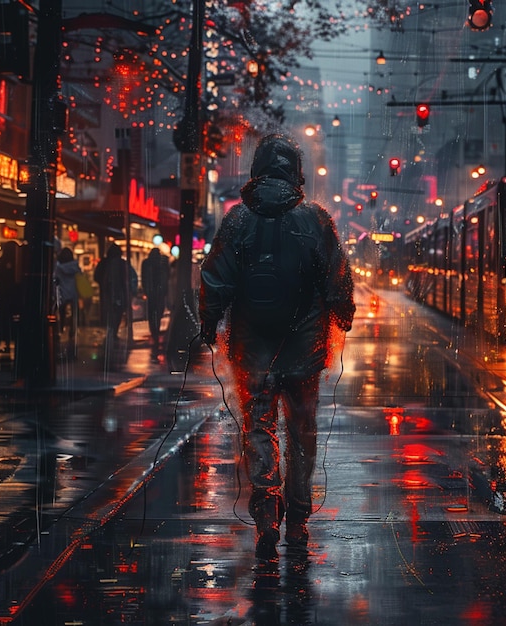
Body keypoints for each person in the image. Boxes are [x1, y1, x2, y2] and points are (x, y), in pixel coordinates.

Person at [198, 133, 355, 569]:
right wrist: (343, 311)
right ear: (297, 174)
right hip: (304, 351)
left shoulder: (237, 221)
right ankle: (299, 517)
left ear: (256, 172)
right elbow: (337, 279)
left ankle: (267, 512)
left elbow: (215, 279)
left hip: (252, 351)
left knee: (258, 428)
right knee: (301, 432)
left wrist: (210, 321)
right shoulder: (316, 220)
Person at [94, 243, 137, 347]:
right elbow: (132, 277)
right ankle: (113, 333)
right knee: (118, 312)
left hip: (107, 292)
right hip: (120, 293)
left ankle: (111, 332)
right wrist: (132, 291)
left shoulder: (104, 263)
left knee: (109, 312)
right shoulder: (123, 264)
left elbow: (97, 276)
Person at [0, 241, 21, 354]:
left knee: (3, 318)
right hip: (16, 295)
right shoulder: (19, 263)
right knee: (15, 319)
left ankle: (5, 342)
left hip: (2, 295)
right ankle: (16, 342)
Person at [141, 247, 170, 360]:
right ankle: (155, 331)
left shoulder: (146, 263)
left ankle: (154, 331)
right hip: (159, 293)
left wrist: (146, 290)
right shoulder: (163, 263)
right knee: (158, 312)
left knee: (152, 312)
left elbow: (144, 278)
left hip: (152, 293)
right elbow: (166, 277)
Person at [54, 247, 82, 355]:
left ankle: (60, 329)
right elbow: (80, 277)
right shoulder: (75, 267)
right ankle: (72, 331)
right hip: (74, 293)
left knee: (61, 312)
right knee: (75, 313)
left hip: (63, 293)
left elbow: (55, 279)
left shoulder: (58, 268)